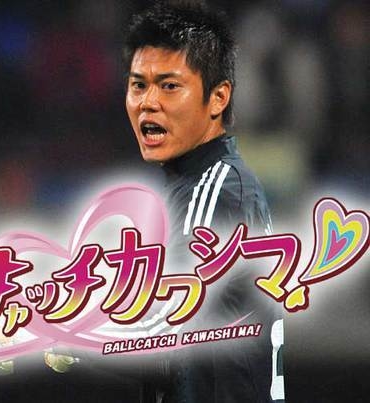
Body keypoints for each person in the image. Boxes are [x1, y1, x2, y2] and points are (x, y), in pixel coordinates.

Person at [123, 1, 284, 402]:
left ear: (217, 98)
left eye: (169, 86)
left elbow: (161, 334)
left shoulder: (216, 191)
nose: (148, 102)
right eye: (138, 85)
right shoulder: (199, 186)